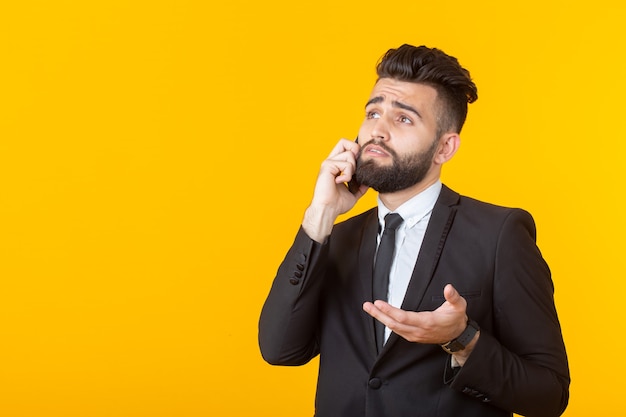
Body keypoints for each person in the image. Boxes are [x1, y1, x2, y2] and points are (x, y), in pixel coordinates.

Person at [258, 44, 570, 417]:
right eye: (373, 112)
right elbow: (279, 350)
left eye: (403, 119)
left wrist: (463, 338)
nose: (378, 131)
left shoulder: (500, 235)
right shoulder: (334, 238)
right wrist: (320, 215)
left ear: (444, 148)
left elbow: (549, 394)